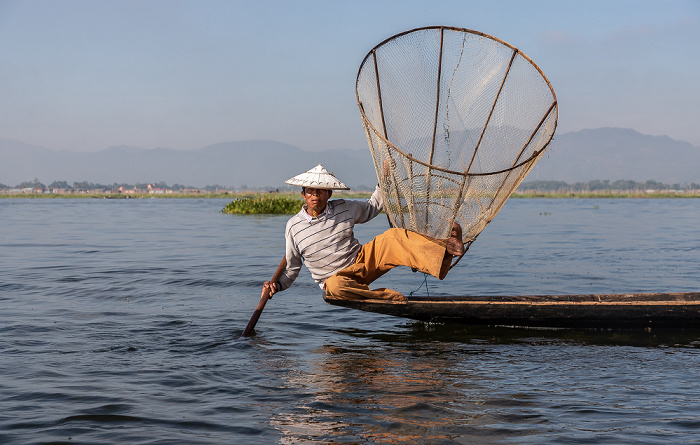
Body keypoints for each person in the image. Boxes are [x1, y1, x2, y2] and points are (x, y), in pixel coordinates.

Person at [262, 164, 464, 301]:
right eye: (311, 191)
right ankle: (391, 300)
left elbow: (372, 207)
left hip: (362, 261)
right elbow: (292, 268)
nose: (316, 195)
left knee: (393, 237)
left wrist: (384, 179)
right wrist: (276, 287)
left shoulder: (343, 208)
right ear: (303, 194)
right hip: (337, 281)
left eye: (321, 191)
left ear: (329, 193)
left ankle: (445, 253)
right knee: (335, 286)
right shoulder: (294, 227)